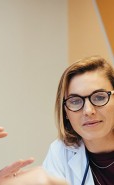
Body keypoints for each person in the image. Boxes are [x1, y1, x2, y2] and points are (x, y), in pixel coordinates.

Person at [42, 55, 114, 184]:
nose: (88, 111)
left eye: (99, 97)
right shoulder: (60, 153)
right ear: (65, 112)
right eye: (75, 101)